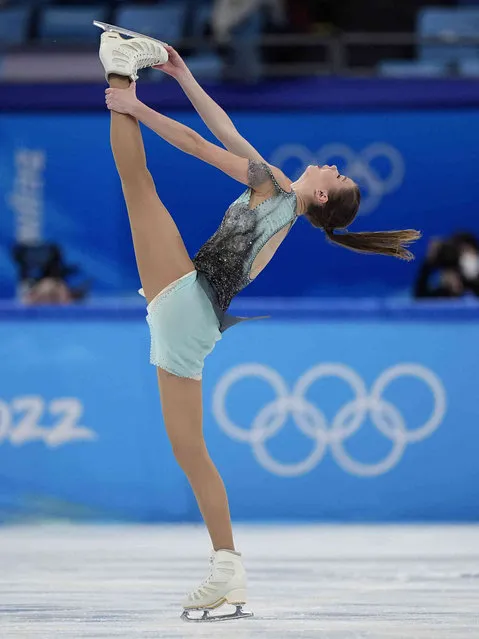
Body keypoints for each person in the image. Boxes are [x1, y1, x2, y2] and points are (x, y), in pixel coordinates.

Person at [98, 30, 420, 621]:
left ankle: (119, 68)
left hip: (189, 299)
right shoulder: (278, 190)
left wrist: (135, 103)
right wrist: (184, 76)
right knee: (191, 450)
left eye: (336, 173)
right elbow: (224, 129)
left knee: (136, 181)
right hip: (196, 320)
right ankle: (228, 567)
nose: (330, 164)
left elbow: (199, 145)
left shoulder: (272, 186)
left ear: (320, 193)